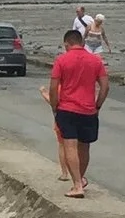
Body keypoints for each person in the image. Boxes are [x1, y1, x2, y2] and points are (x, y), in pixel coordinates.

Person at [46, 29, 108, 198]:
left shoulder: (61, 60)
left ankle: (77, 185)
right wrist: (98, 105)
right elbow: (105, 87)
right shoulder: (96, 61)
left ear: (67, 44)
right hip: (88, 110)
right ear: (81, 42)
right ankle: (80, 179)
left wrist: (54, 106)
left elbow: (53, 87)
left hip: (67, 109)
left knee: (70, 145)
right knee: (84, 146)